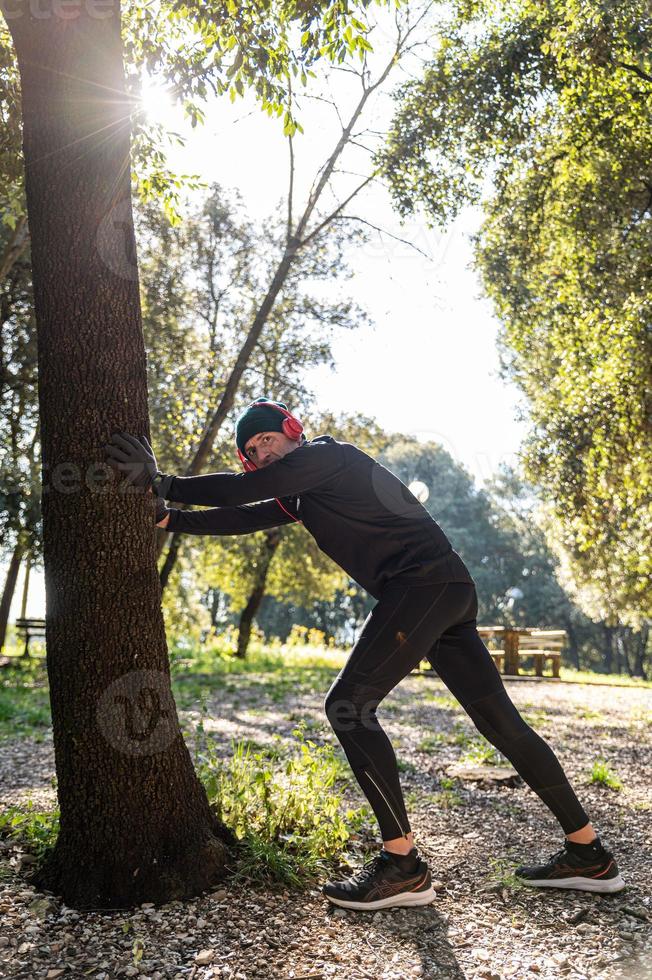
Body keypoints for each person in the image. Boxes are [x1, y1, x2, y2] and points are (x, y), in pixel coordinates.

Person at [105, 398, 625, 910]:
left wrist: (162, 482)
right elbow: (245, 514)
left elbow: (249, 489)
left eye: (266, 439)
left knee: (348, 706)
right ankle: (588, 853)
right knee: (500, 723)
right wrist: (169, 520)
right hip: (444, 590)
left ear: (292, 430)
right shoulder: (306, 493)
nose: (262, 454)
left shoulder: (330, 457)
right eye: (252, 451)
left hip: (421, 587)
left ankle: (402, 866)